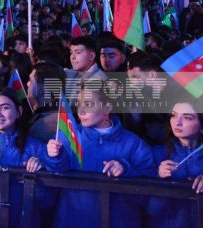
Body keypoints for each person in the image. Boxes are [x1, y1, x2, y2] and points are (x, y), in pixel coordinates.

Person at [53, 85, 155, 228]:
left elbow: (149, 195)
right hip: (73, 219)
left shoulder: (135, 144)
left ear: (107, 108)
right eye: (78, 104)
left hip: (119, 221)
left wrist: (126, 170)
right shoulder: (70, 137)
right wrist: (54, 156)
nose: (81, 111)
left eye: (88, 104)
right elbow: (55, 173)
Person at [0, 88, 64, 226]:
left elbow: (47, 201)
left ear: (18, 112)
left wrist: (40, 172)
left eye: (4, 108)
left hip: (23, 221)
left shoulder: (36, 147)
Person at [149, 96, 203, 227]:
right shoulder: (158, 154)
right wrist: (159, 179)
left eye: (187, 117)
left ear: (202, 125)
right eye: (173, 115)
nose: (177, 123)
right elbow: (151, 209)